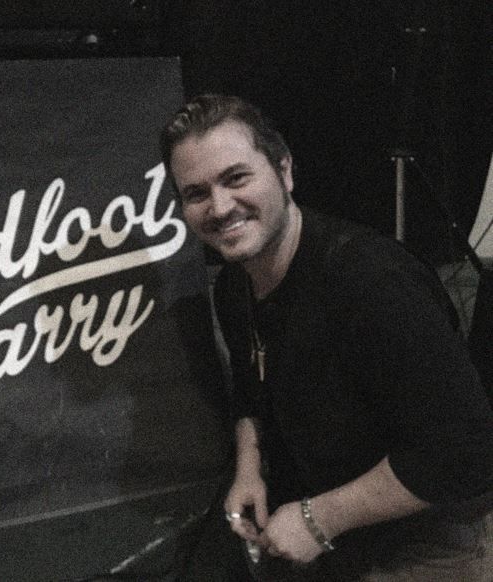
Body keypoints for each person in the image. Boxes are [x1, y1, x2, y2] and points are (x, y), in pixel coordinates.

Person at [160, 94, 493, 581]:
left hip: (427, 538)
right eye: (196, 193)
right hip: (327, 517)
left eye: (236, 178)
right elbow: (252, 389)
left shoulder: (372, 282)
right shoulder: (234, 286)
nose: (220, 206)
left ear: (284, 171)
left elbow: (466, 452)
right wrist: (249, 467)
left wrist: (319, 520)